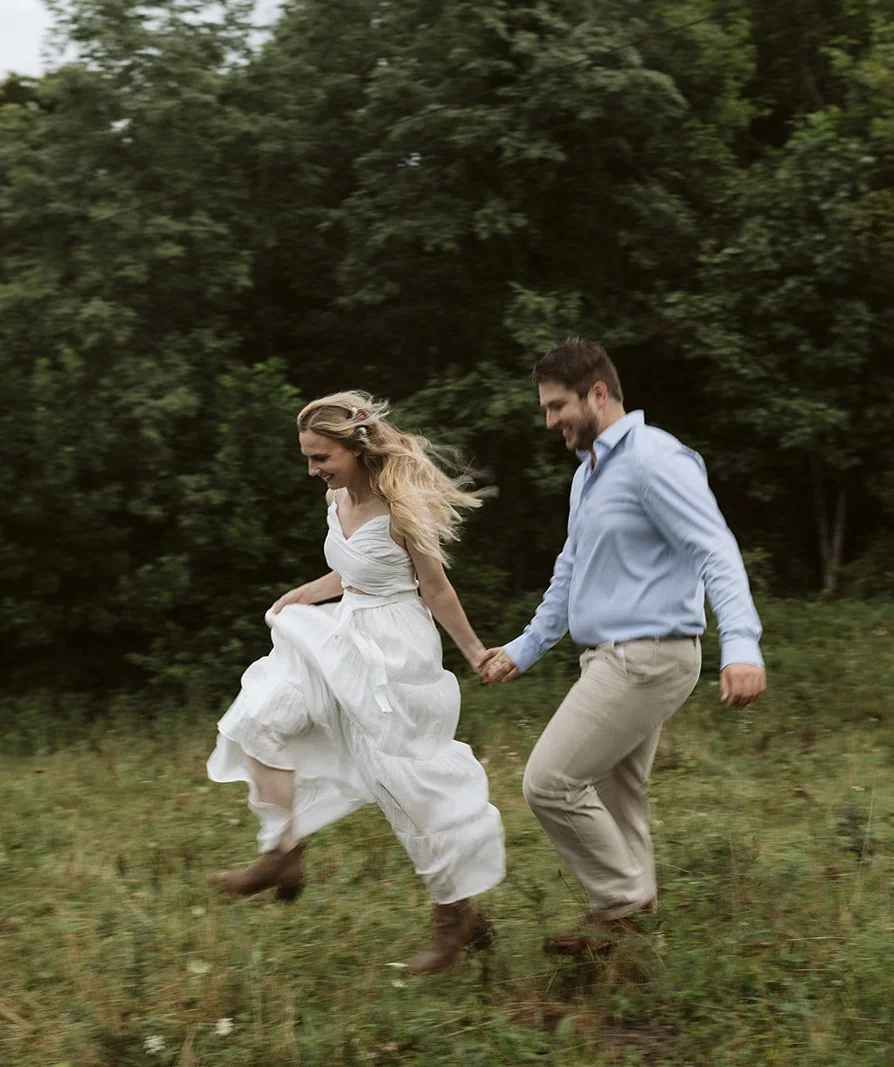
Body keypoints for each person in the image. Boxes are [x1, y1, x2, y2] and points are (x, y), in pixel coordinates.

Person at [478, 338, 766, 954]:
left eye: (558, 406)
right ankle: (635, 940)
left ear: (599, 394)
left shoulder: (654, 459)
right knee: (617, 792)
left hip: (648, 655)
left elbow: (714, 549)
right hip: (611, 658)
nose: (550, 421)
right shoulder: (589, 477)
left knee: (548, 782)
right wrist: (525, 648)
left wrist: (740, 645)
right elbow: (569, 573)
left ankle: (621, 907)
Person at [207, 391, 505, 974]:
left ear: (355, 446)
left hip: (393, 645)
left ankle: (457, 916)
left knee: (402, 782)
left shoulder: (399, 507)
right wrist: (308, 592)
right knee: (257, 719)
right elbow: (350, 570)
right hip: (341, 631)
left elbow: (433, 587)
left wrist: (473, 652)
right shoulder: (337, 498)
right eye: (309, 457)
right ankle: (283, 851)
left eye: (321, 457)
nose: (313, 470)